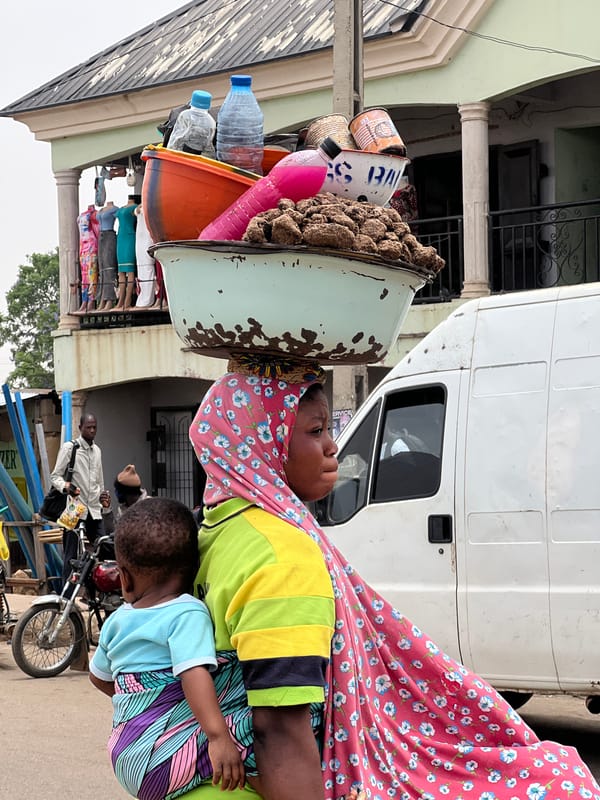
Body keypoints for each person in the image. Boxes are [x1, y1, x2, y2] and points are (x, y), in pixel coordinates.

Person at [181, 356, 600, 800]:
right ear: (260, 443)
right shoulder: (280, 554)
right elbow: (279, 729)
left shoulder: (212, 533)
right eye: (314, 430)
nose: (332, 447)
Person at [89, 497, 248, 800]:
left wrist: (139, 702)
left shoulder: (117, 620)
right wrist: (218, 737)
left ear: (124, 577)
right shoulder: (188, 612)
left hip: (125, 755)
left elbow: (98, 677)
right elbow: (192, 673)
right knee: (274, 725)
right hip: (161, 761)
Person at [50, 413, 109, 583]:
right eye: (88, 427)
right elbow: (55, 477)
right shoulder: (71, 448)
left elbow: (100, 481)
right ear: (80, 428)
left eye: (94, 427)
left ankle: (98, 595)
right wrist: (66, 486)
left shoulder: (97, 451)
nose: (92, 430)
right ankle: (66, 600)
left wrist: (104, 501)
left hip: (94, 511)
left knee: (103, 550)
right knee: (70, 554)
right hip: (74, 509)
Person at [102, 464, 148, 535]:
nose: (115, 493)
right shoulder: (123, 510)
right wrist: (106, 509)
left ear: (124, 492)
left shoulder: (149, 507)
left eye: (117, 490)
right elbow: (113, 534)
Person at [114, 195, 139, 311]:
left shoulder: (135, 207)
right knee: (121, 272)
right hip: (121, 238)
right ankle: (120, 300)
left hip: (129, 237)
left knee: (130, 270)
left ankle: (128, 300)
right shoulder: (122, 208)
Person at [96, 201, 119, 311]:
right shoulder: (101, 210)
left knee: (109, 267)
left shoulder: (115, 209)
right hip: (101, 236)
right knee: (102, 268)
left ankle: (110, 299)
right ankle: (102, 299)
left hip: (109, 235)